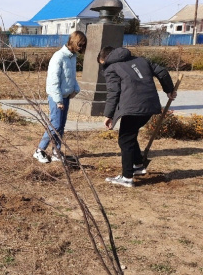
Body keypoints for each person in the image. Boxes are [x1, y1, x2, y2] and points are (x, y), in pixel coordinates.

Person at [98, 46, 176, 188]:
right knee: (130, 134)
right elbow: (162, 72)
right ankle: (138, 165)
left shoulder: (111, 68)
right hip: (150, 106)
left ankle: (127, 177)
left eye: (102, 63)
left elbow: (113, 92)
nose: (103, 66)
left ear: (106, 59)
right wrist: (169, 90)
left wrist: (108, 115)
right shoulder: (141, 60)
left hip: (133, 107)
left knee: (125, 140)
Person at [33, 31, 87, 163]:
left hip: (66, 97)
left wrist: (76, 89)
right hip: (56, 97)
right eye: (80, 45)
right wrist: (58, 100)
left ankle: (56, 152)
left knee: (61, 126)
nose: (81, 48)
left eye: (83, 45)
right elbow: (53, 81)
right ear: (73, 42)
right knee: (55, 125)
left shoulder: (72, 57)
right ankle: (39, 150)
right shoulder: (58, 57)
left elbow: (71, 76)